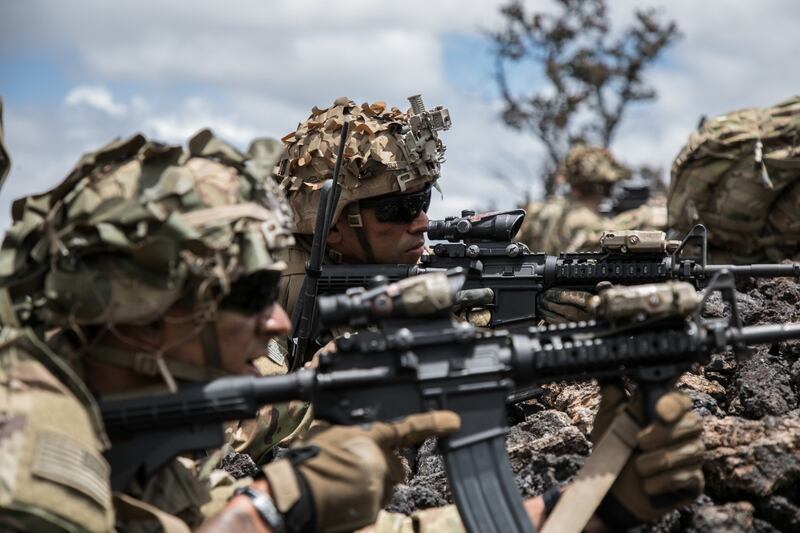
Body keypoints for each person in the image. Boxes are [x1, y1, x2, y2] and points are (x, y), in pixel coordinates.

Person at [0, 129, 458, 532]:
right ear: (141, 316)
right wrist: (272, 508)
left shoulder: (131, 430)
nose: (276, 321)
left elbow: (212, 510)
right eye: (248, 296)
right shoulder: (28, 460)